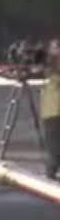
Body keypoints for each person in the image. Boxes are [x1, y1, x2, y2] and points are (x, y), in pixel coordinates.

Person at [42, 39, 60, 179]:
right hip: (50, 112)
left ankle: (50, 175)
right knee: (53, 146)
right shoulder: (50, 68)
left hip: (54, 112)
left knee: (54, 148)